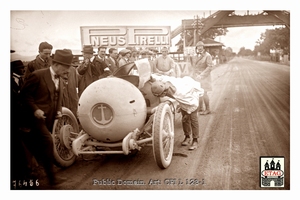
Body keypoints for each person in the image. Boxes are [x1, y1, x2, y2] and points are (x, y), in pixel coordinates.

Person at [19, 49, 73, 186]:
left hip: (48, 119)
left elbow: (58, 97)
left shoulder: (60, 78)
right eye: (66, 67)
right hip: (33, 119)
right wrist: (35, 109)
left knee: (39, 147)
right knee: (48, 142)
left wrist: (59, 111)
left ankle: (32, 174)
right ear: (56, 65)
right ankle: (52, 179)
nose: (67, 71)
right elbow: (25, 95)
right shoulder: (37, 75)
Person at [150, 74, 204, 150]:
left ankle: (195, 140)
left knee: (192, 119)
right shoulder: (165, 82)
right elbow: (160, 77)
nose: (160, 97)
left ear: (164, 92)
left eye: (160, 95)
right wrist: (151, 76)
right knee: (184, 120)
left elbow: (193, 105)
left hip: (193, 98)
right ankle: (187, 137)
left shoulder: (182, 94)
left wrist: (187, 113)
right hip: (184, 89)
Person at [11, 60, 30, 184]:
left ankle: (27, 168)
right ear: (14, 70)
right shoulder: (10, 81)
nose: (23, 70)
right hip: (14, 116)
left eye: (23, 68)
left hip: (22, 115)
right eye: (20, 68)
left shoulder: (21, 80)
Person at [192, 41, 213, 115]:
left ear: (203, 48)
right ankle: (200, 108)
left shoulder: (208, 56)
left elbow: (210, 67)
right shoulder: (194, 56)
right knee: (198, 92)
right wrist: (194, 75)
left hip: (205, 77)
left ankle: (207, 109)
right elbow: (193, 67)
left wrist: (201, 75)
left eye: (201, 47)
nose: (200, 49)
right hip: (197, 77)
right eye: (198, 47)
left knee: (204, 93)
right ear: (196, 48)